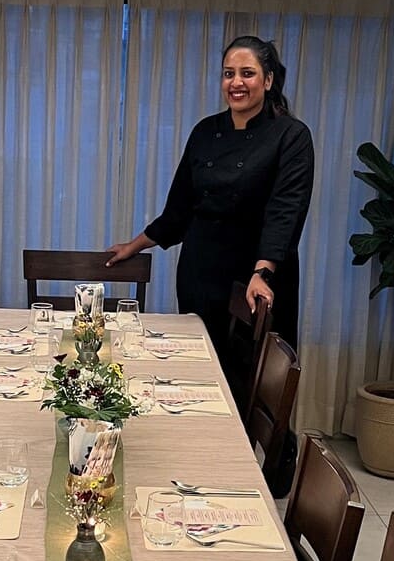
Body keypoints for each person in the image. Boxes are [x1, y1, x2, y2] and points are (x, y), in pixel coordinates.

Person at [106, 35, 314, 357]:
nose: (236, 83)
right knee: (197, 366)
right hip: (200, 273)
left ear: (268, 79)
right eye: (228, 73)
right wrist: (132, 247)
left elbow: (285, 210)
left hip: (255, 278)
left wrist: (262, 273)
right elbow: (179, 208)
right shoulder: (205, 131)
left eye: (247, 73)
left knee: (248, 376)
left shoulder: (291, 135)